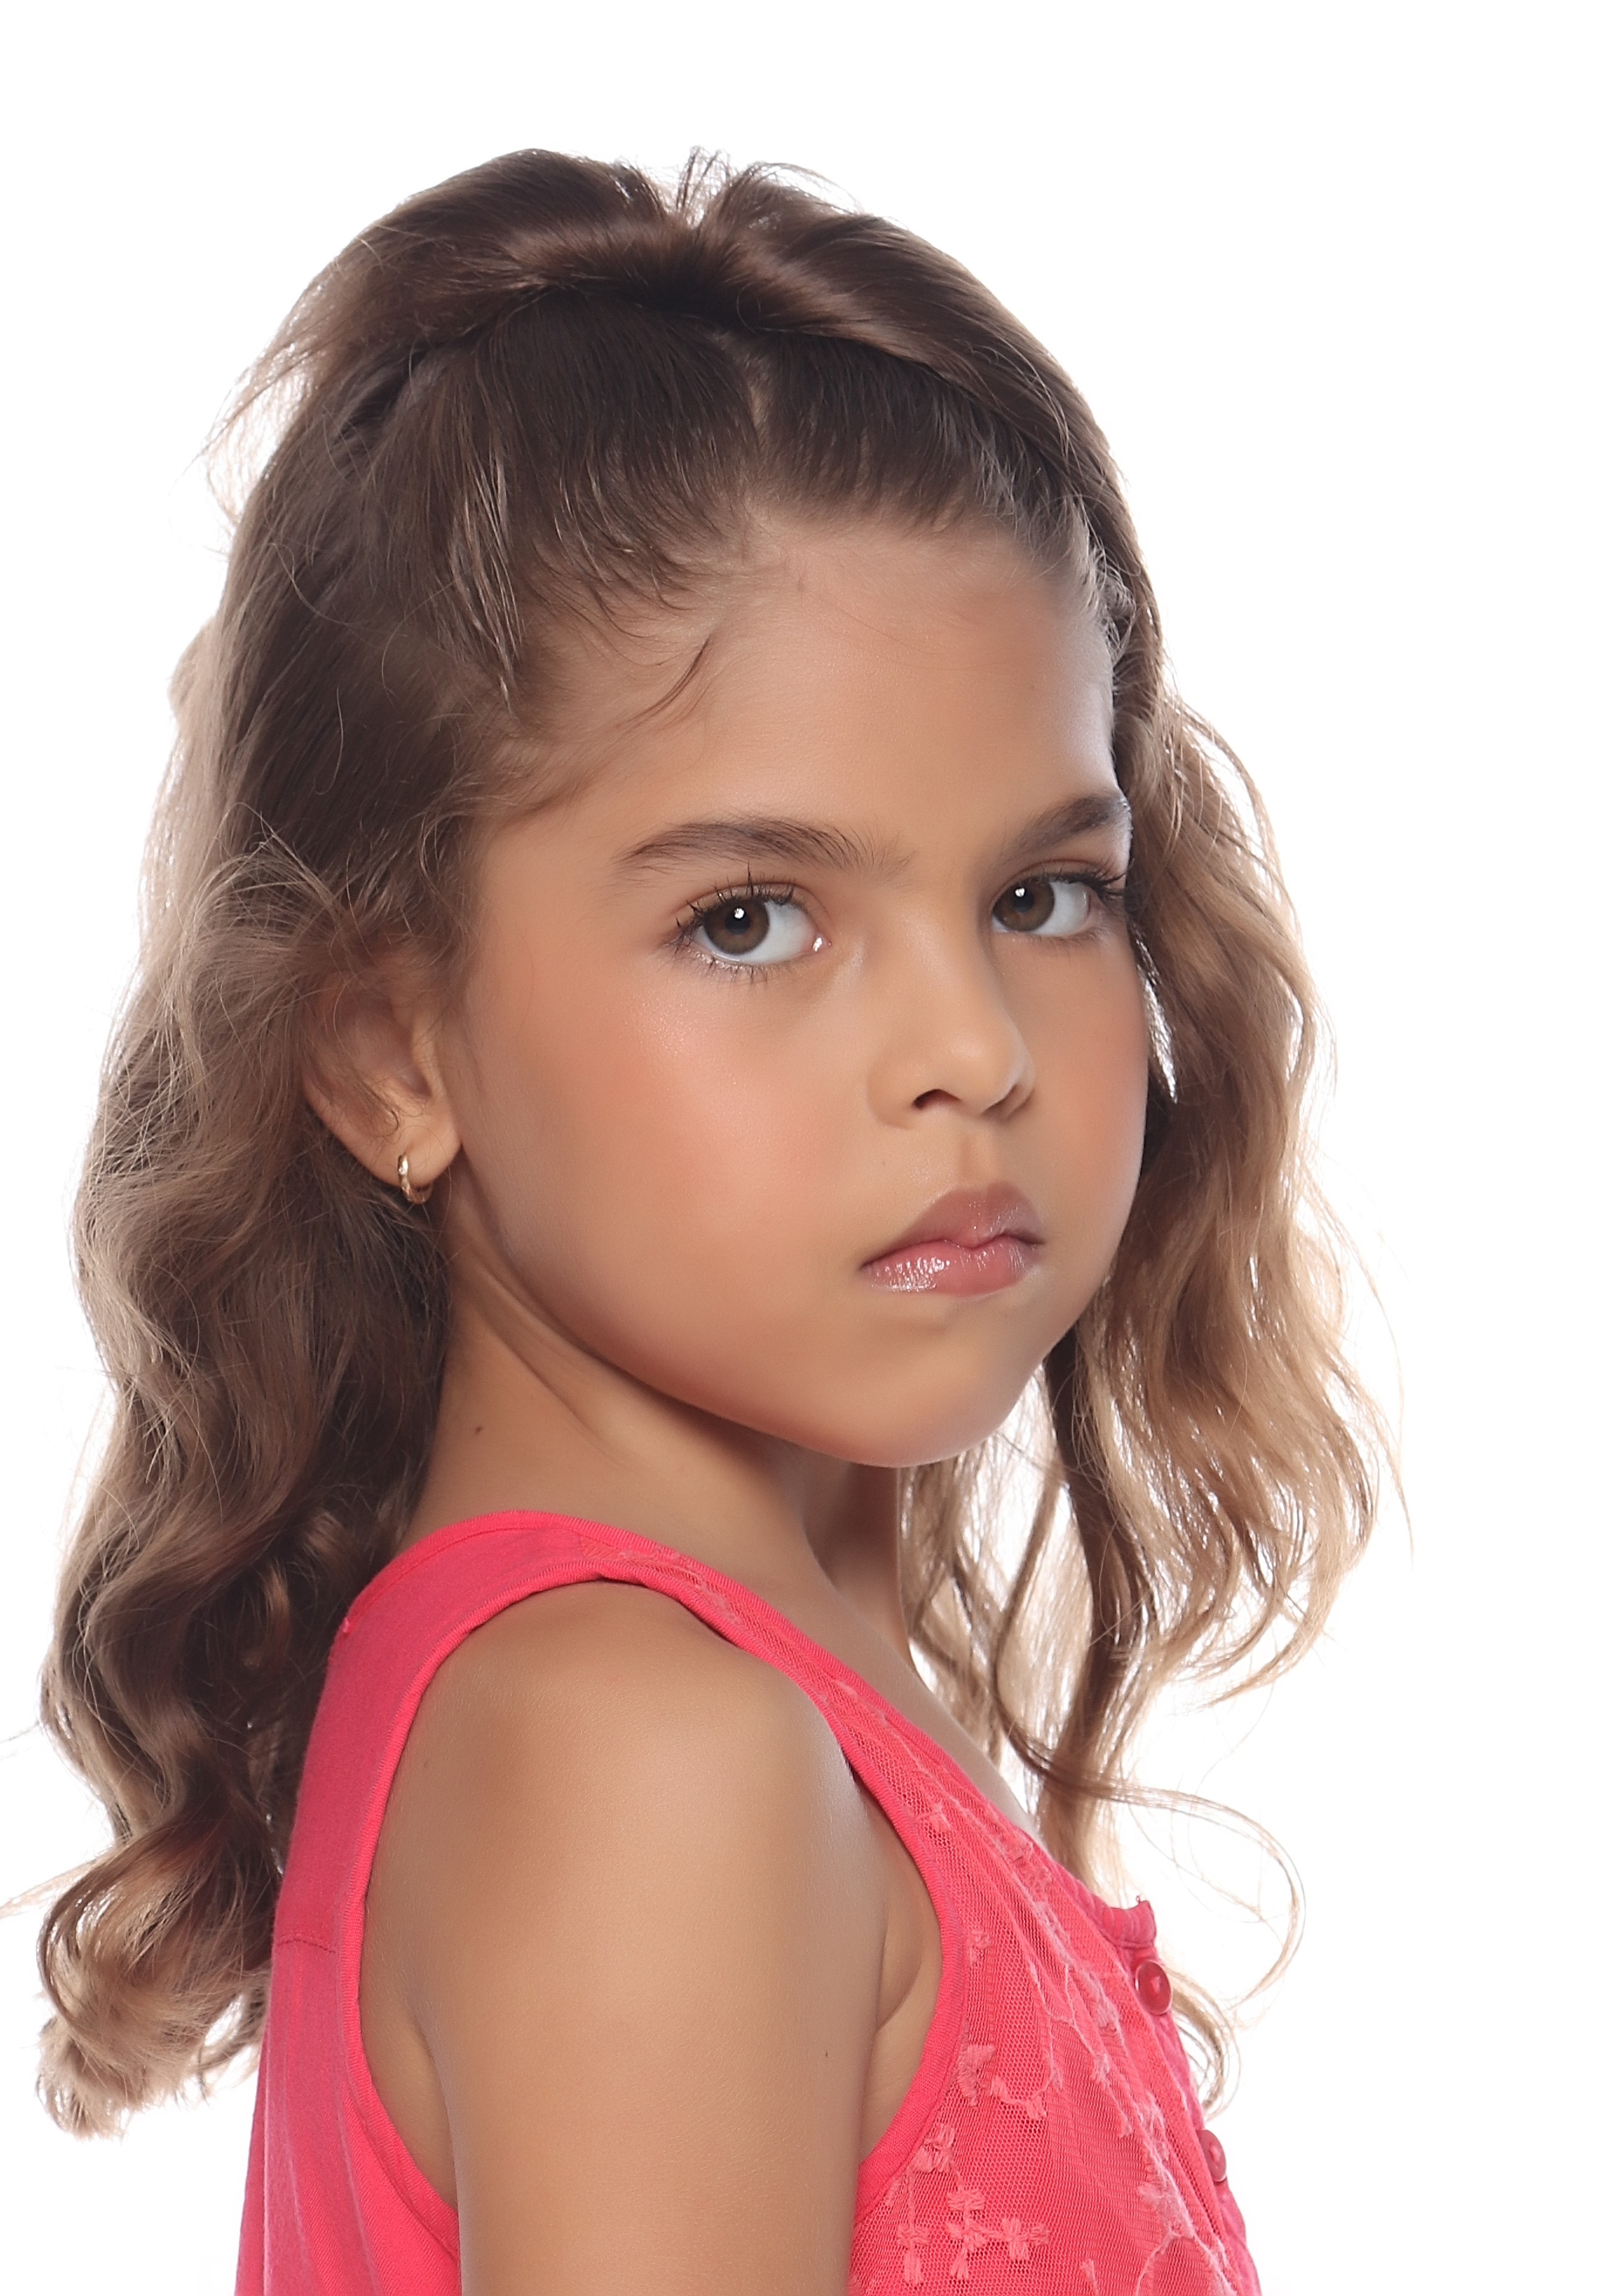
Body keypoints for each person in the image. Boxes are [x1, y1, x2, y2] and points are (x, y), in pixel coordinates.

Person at [35, 150, 1383, 2294]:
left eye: (1043, 893)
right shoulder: (646, 1753)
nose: (970, 1050)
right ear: (387, 1053)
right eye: (749, 918)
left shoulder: (712, 1698)